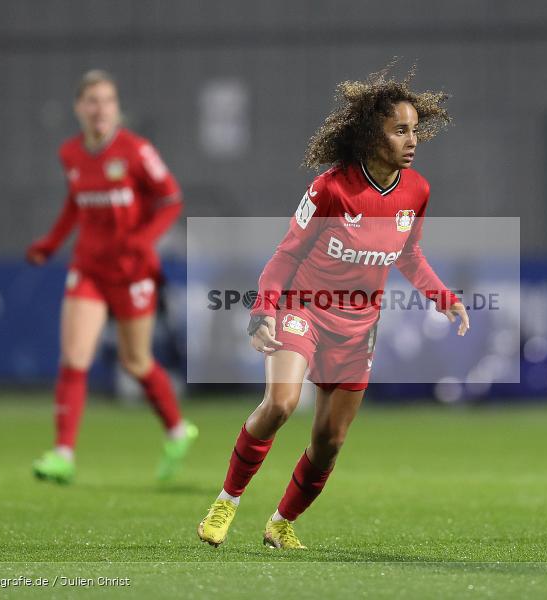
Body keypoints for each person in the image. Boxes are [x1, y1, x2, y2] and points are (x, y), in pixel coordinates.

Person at [196, 65, 470, 550]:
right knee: (281, 404)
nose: (412, 141)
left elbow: (408, 254)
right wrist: (263, 310)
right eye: (400, 130)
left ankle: (281, 522)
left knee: (329, 442)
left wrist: (443, 297)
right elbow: (287, 254)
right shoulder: (332, 188)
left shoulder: (416, 191)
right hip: (303, 308)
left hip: (359, 327)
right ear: (371, 135)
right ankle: (226, 501)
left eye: (414, 130)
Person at [27, 70, 198, 484]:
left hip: (132, 271)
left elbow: (171, 198)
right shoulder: (71, 154)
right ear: (78, 108)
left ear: (116, 108)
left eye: (107, 100)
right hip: (89, 267)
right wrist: (51, 243)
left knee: (135, 361)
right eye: (92, 101)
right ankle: (63, 453)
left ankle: (178, 430)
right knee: (74, 357)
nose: (100, 109)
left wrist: (143, 240)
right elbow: (75, 204)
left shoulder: (137, 151)